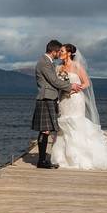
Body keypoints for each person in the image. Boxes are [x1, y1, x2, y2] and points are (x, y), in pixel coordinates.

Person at [50, 43, 107, 170]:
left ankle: (80, 157)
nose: (60, 53)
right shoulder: (59, 68)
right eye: (60, 51)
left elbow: (86, 83)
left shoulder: (77, 66)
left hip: (75, 99)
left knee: (76, 124)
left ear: (69, 53)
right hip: (63, 100)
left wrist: (76, 90)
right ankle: (62, 158)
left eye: (62, 51)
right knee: (63, 127)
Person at [31, 39, 80, 169]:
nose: (59, 54)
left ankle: (42, 160)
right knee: (45, 130)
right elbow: (54, 81)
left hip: (49, 97)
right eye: (58, 51)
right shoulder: (44, 63)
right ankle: (41, 162)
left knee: (46, 130)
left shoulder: (48, 62)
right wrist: (71, 86)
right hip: (46, 98)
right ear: (53, 51)